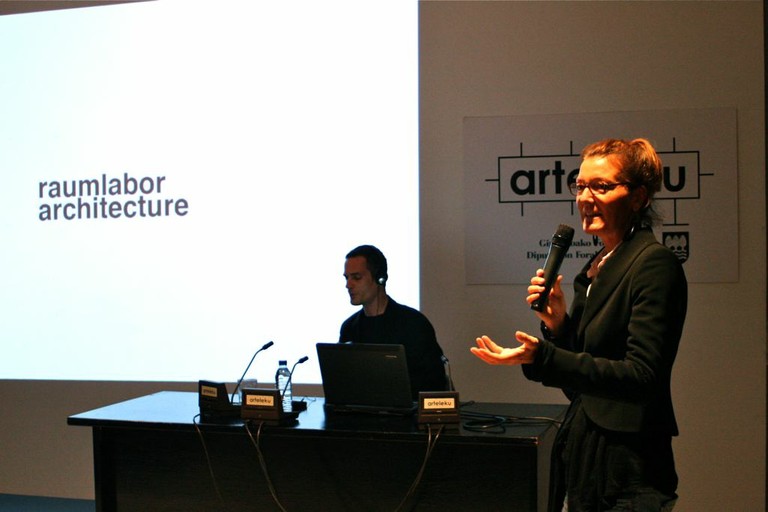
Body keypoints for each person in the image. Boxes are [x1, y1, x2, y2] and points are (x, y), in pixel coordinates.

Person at [471, 138, 687, 512]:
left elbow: (641, 377)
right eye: (580, 185)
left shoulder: (653, 264)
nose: (585, 198)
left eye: (601, 186)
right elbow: (583, 386)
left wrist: (543, 356)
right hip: (587, 457)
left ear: (638, 197)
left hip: (628, 470)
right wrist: (558, 326)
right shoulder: (596, 268)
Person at [340, 244, 447, 398]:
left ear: (380, 278)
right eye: (347, 278)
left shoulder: (414, 324)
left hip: (410, 411)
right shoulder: (349, 327)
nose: (348, 285)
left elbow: (434, 384)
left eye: (356, 277)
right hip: (362, 411)